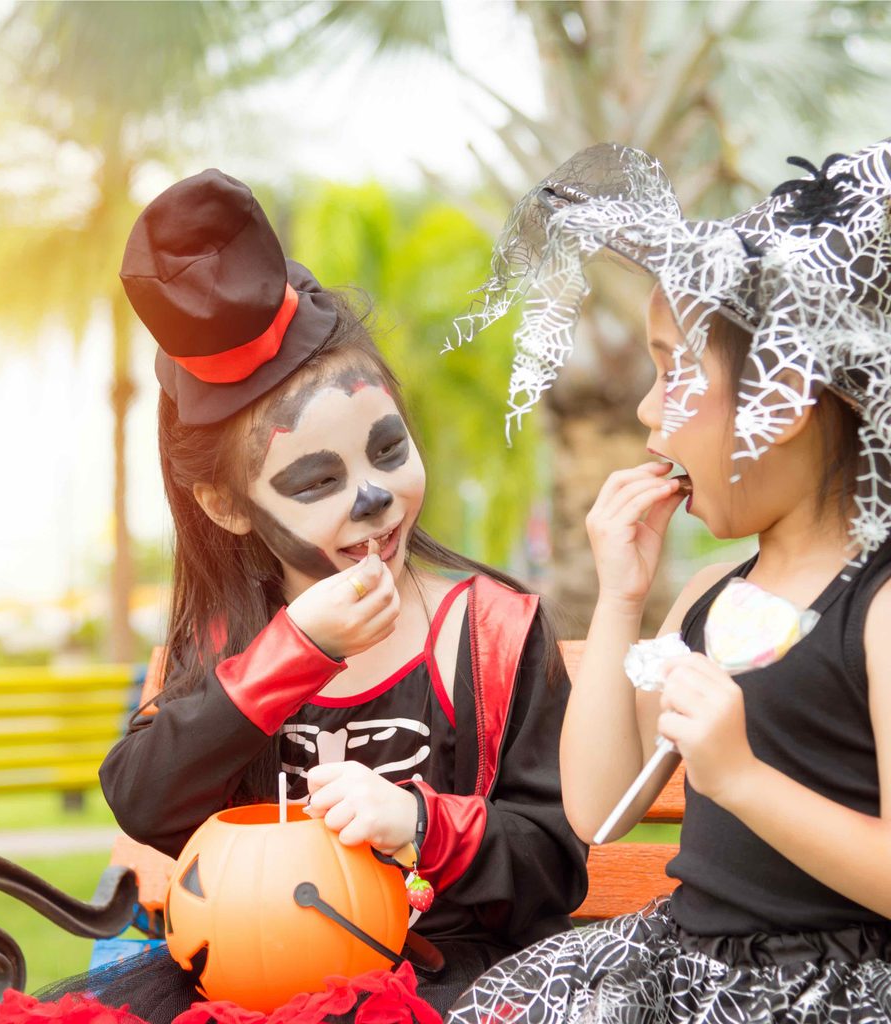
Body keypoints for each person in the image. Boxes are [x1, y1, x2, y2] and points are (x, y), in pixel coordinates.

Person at [63, 168, 587, 1022]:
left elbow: (556, 864)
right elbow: (145, 801)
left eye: (388, 450)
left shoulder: (491, 631)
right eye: (317, 482)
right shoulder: (235, 638)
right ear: (227, 506)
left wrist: (419, 823)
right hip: (256, 986)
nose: (373, 497)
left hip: (450, 985)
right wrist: (294, 652)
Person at [445, 140, 891, 1022]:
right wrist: (621, 596)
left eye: (676, 369)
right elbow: (600, 808)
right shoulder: (708, 599)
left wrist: (741, 778)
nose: (649, 408)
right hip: (684, 972)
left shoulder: (876, 611)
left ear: (783, 396)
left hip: (826, 990)